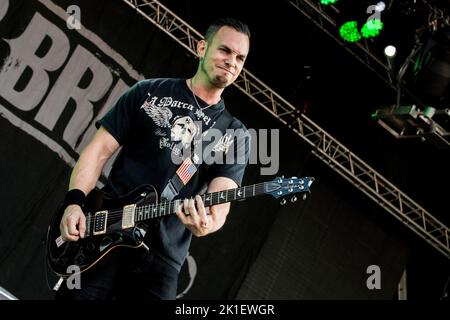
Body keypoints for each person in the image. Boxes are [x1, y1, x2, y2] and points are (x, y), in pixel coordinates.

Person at [56, 17, 251, 300]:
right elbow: (97, 152)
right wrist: (74, 203)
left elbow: (221, 204)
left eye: (240, 57)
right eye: (225, 50)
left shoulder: (234, 133)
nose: (232, 61)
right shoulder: (148, 91)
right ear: (201, 48)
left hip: (162, 260)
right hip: (106, 233)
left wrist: (206, 223)